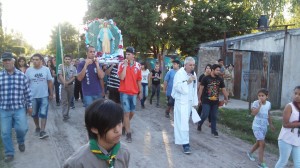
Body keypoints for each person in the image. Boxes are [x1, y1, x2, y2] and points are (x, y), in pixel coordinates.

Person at [63, 99, 130, 168]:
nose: (117, 130)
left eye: (119, 123)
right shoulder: (77, 163)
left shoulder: (124, 152)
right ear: (94, 129)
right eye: (111, 126)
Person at [0, 52, 32, 162]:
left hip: (19, 108)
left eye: (9, 60)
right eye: (5, 60)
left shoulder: (21, 76)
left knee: (22, 129)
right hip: (4, 109)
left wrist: (30, 106)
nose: (7, 62)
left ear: (13, 61)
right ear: (2, 62)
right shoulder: (0, 76)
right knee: (5, 132)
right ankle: (9, 153)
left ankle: (20, 140)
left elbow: (27, 93)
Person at [171, 57, 198, 154]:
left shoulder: (194, 74)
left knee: (184, 122)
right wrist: (187, 82)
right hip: (181, 102)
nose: (192, 67)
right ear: (185, 65)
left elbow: (195, 89)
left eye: (193, 65)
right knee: (183, 123)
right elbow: (177, 87)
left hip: (189, 102)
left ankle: (181, 139)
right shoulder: (179, 73)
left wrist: (195, 103)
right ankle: (186, 144)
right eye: (190, 65)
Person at [26, 53, 53, 139]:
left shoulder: (46, 70)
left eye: (37, 59)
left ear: (41, 61)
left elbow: (49, 82)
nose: (35, 61)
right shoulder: (28, 71)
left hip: (44, 95)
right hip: (32, 96)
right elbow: (26, 84)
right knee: (34, 114)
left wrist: (51, 93)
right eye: (33, 60)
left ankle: (42, 131)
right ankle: (37, 127)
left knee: (43, 113)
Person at [118, 47, 142, 143]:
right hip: (124, 92)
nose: (127, 56)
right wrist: (124, 66)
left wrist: (140, 91)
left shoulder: (138, 66)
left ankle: (123, 126)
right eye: (126, 54)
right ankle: (128, 133)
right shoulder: (121, 64)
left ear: (133, 55)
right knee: (126, 113)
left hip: (134, 92)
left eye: (129, 54)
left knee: (132, 112)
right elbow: (122, 77)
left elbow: (139, 79)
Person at [197, 64, 228, 137]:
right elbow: (201, 89)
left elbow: (223, 89)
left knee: (214, 116)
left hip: (215, 101)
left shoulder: (220, 79)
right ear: (213, 70)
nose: (218, 72)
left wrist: (226, 98)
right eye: (217, 70)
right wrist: (199, 99)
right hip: (206, 100)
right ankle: (200, 123)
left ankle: (214, 131)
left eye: (219, 70)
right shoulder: (205, 78)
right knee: (205, 114)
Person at [246, 88, 275, 168]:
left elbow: (268, 114)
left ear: (267, 96)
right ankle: (261, 163)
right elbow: (253, 113)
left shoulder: (268, 104)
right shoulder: (255, 103)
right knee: (262, 143)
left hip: (264, 126)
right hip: (256, 126)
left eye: (262, 96)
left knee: (259, 143)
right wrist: (259, 105)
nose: (260, 97)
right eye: (259, 96)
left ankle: (250, 153)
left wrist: (271, 124)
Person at [275, 86, 300, 168]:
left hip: (297, 140)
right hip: (286, 139)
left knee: (298, 164)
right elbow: (285, 124)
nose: (297, 96)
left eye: (299, 94)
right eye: (295, 93)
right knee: (283, 161)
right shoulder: (290, 106)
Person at [58, 55, 77, 121]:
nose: (67, 60)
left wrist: (68, 82)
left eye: (69, 59)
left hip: (71, 85)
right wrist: (64, 82)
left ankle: (67, 113)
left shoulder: (74, 68)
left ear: (71, 60)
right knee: (64, 100)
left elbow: (74, 77)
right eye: (66, 59)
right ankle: (64, 115)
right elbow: (60, 75)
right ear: (64, 60)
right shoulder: (61, 66)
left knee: (69, 100)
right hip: (63, 85)